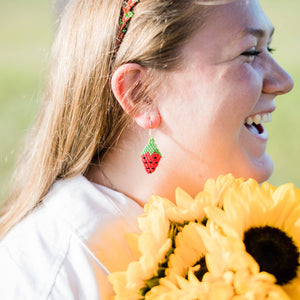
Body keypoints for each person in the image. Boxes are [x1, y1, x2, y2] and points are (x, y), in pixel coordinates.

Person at [0, 0, 294, 299]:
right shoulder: (53, 277)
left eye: (269, 49)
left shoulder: (248, 235)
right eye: (250, 52)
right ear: (141, 94)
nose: (284, 81)